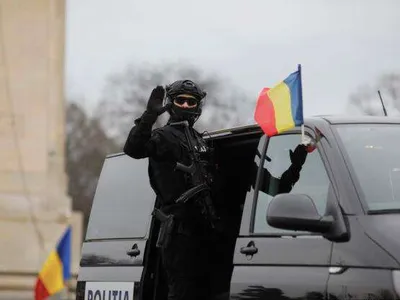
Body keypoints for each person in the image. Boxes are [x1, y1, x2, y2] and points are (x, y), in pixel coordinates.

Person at [123, 80, 216, 300]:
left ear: (198, 106)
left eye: (190, 101)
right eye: (180, 100)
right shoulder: (163, 137)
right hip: (178, 232)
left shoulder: (199, 140)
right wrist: (149, 116)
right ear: (170, 103)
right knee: (181, 292)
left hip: (204, 228)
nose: (185, 105)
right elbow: (133, 149)